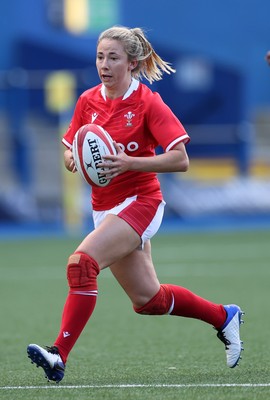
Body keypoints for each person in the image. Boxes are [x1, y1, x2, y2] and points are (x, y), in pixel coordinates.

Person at [27, 26, 244, 383]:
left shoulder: (147, 102)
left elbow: (180, 159)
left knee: (81, 265)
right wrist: (73, 158)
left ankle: (57, 354)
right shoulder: (87, 101)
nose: (105, 64)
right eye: (100, 57)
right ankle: (224, 317)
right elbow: (70, 146)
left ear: (132, 63)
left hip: (142, 201)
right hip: (105, 207)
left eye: (113, 58)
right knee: (148, 301)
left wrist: (131, 163)